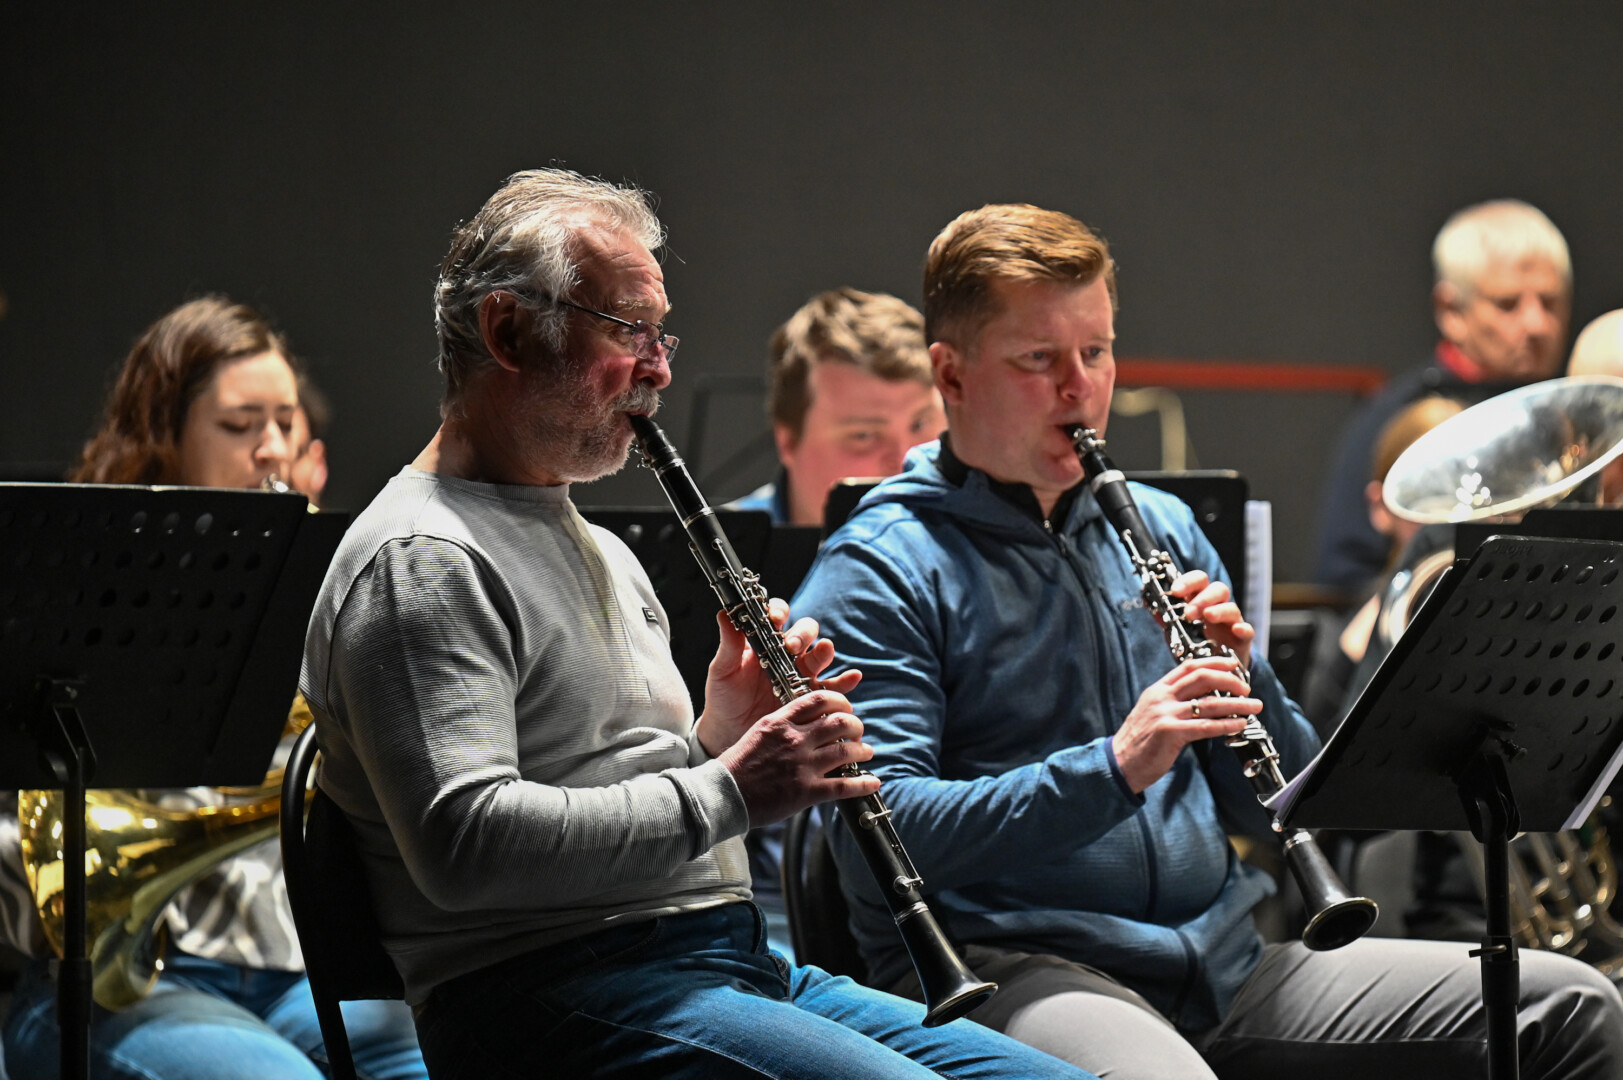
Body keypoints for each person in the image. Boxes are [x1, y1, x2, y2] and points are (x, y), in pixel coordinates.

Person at [793, 202, 1623, 1079]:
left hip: (1221, 963)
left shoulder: (1161, 527)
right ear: (950, 375)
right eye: (1038, 359)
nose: (1079, 388)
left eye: (1096, 352)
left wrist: (1245, 680)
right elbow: (882, 837)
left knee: (1571, 1008)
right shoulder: (881, 567)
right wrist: (1114, 767)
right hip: (1015, 964)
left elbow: (1278, 806)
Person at [299, 168, 1094, 1080]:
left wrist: (719, 734)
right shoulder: (423, 558)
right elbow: (466, 848)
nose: (659, 368)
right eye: (626, 329)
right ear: (507, 330)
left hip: (720, 960)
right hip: (549, 995)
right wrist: (731, 787)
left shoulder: (597, 544)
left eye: (660, 334)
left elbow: (613, 789)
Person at [0, 297, 428, 1080]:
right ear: (162, 435)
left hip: (295, 966)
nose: (272, 450)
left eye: (285, 423)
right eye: (239, 425)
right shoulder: (71, 582)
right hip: (126, 975)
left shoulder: (319, 584)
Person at [1313, 199, 1572, 591]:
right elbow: (1344, 577)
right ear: (1450, 309)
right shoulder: (1395, 418)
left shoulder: (1573, 416)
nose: (1537, 324)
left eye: (1551, 302)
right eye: (1507, 304)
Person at [732, 287, 944, 526]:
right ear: (788, 442)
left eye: (919, 424)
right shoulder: (708, 546)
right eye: (863, 435)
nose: (905, 462)